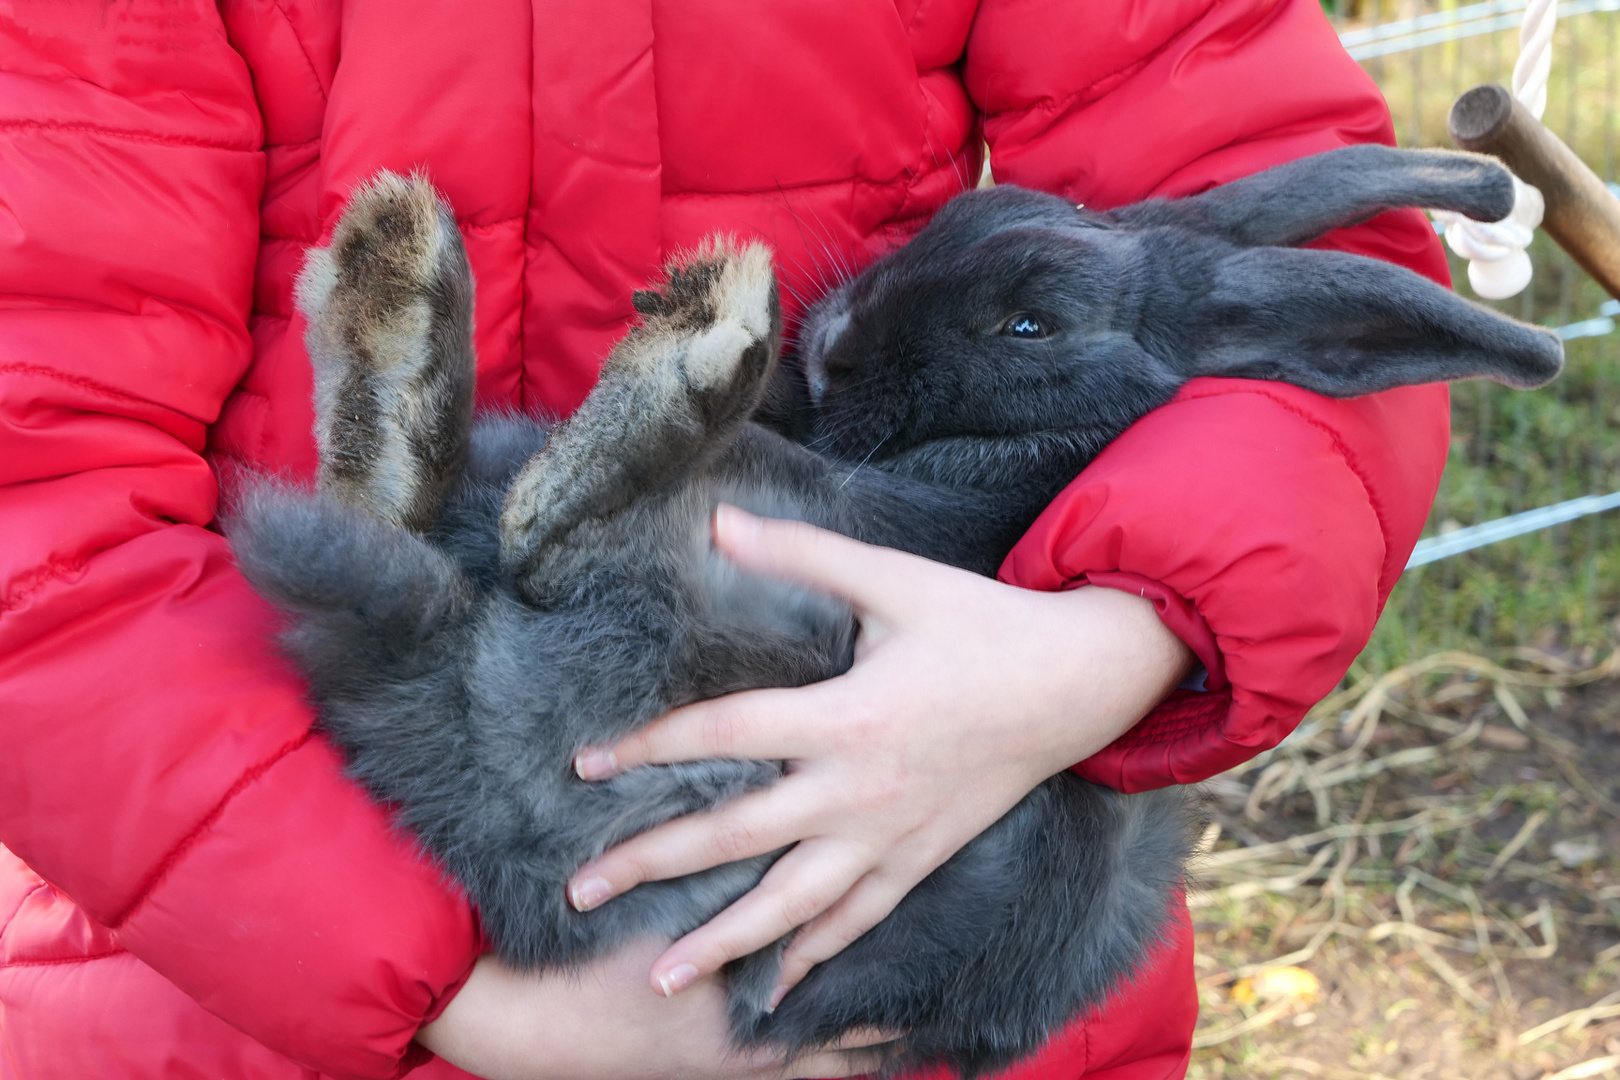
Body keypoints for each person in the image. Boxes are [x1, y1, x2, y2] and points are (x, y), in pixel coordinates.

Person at [0, 1, 1450, 1078]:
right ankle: (452, 549)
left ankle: (446, 539)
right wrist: (467, 1001)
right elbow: (38, 508)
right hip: (266, 933)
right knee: (506, 625)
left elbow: (1262, 189)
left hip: (932, 763)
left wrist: (1113, 638)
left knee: (1002, 868)